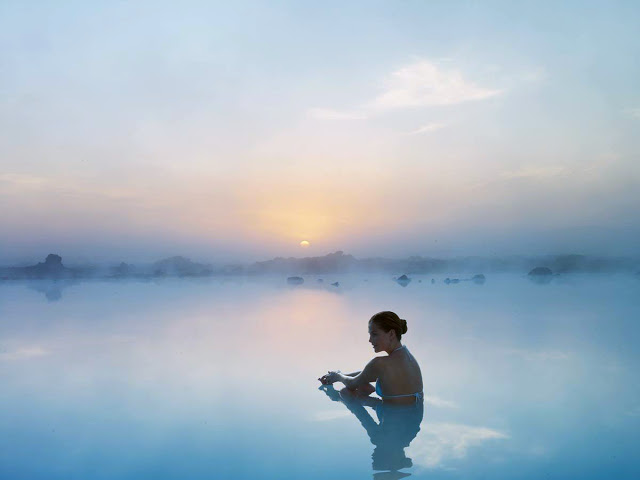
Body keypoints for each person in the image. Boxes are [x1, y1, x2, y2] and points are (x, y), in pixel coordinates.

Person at [318, 311, 424, 405]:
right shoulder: (410, 359)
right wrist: (337, 376)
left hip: (390, 420)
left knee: (345, 393)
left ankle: (347, 400)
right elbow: (367, 374)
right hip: (410, 418)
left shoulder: (379, 364)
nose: (370, 340)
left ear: (391, 334)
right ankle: (365, 391)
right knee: (361, 384)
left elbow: (351, 384)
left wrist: (338, 376)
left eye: (374, 334)